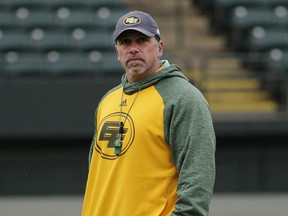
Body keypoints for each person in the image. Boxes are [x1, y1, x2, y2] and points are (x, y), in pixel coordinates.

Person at [82, 10, 216, 216]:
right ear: (117, 51)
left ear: (160, 47)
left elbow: (197, 185)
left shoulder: (183, 98)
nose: (133, 48)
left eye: (142, 40)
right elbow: (97, 177)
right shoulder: (108, 100)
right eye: (125, 42)